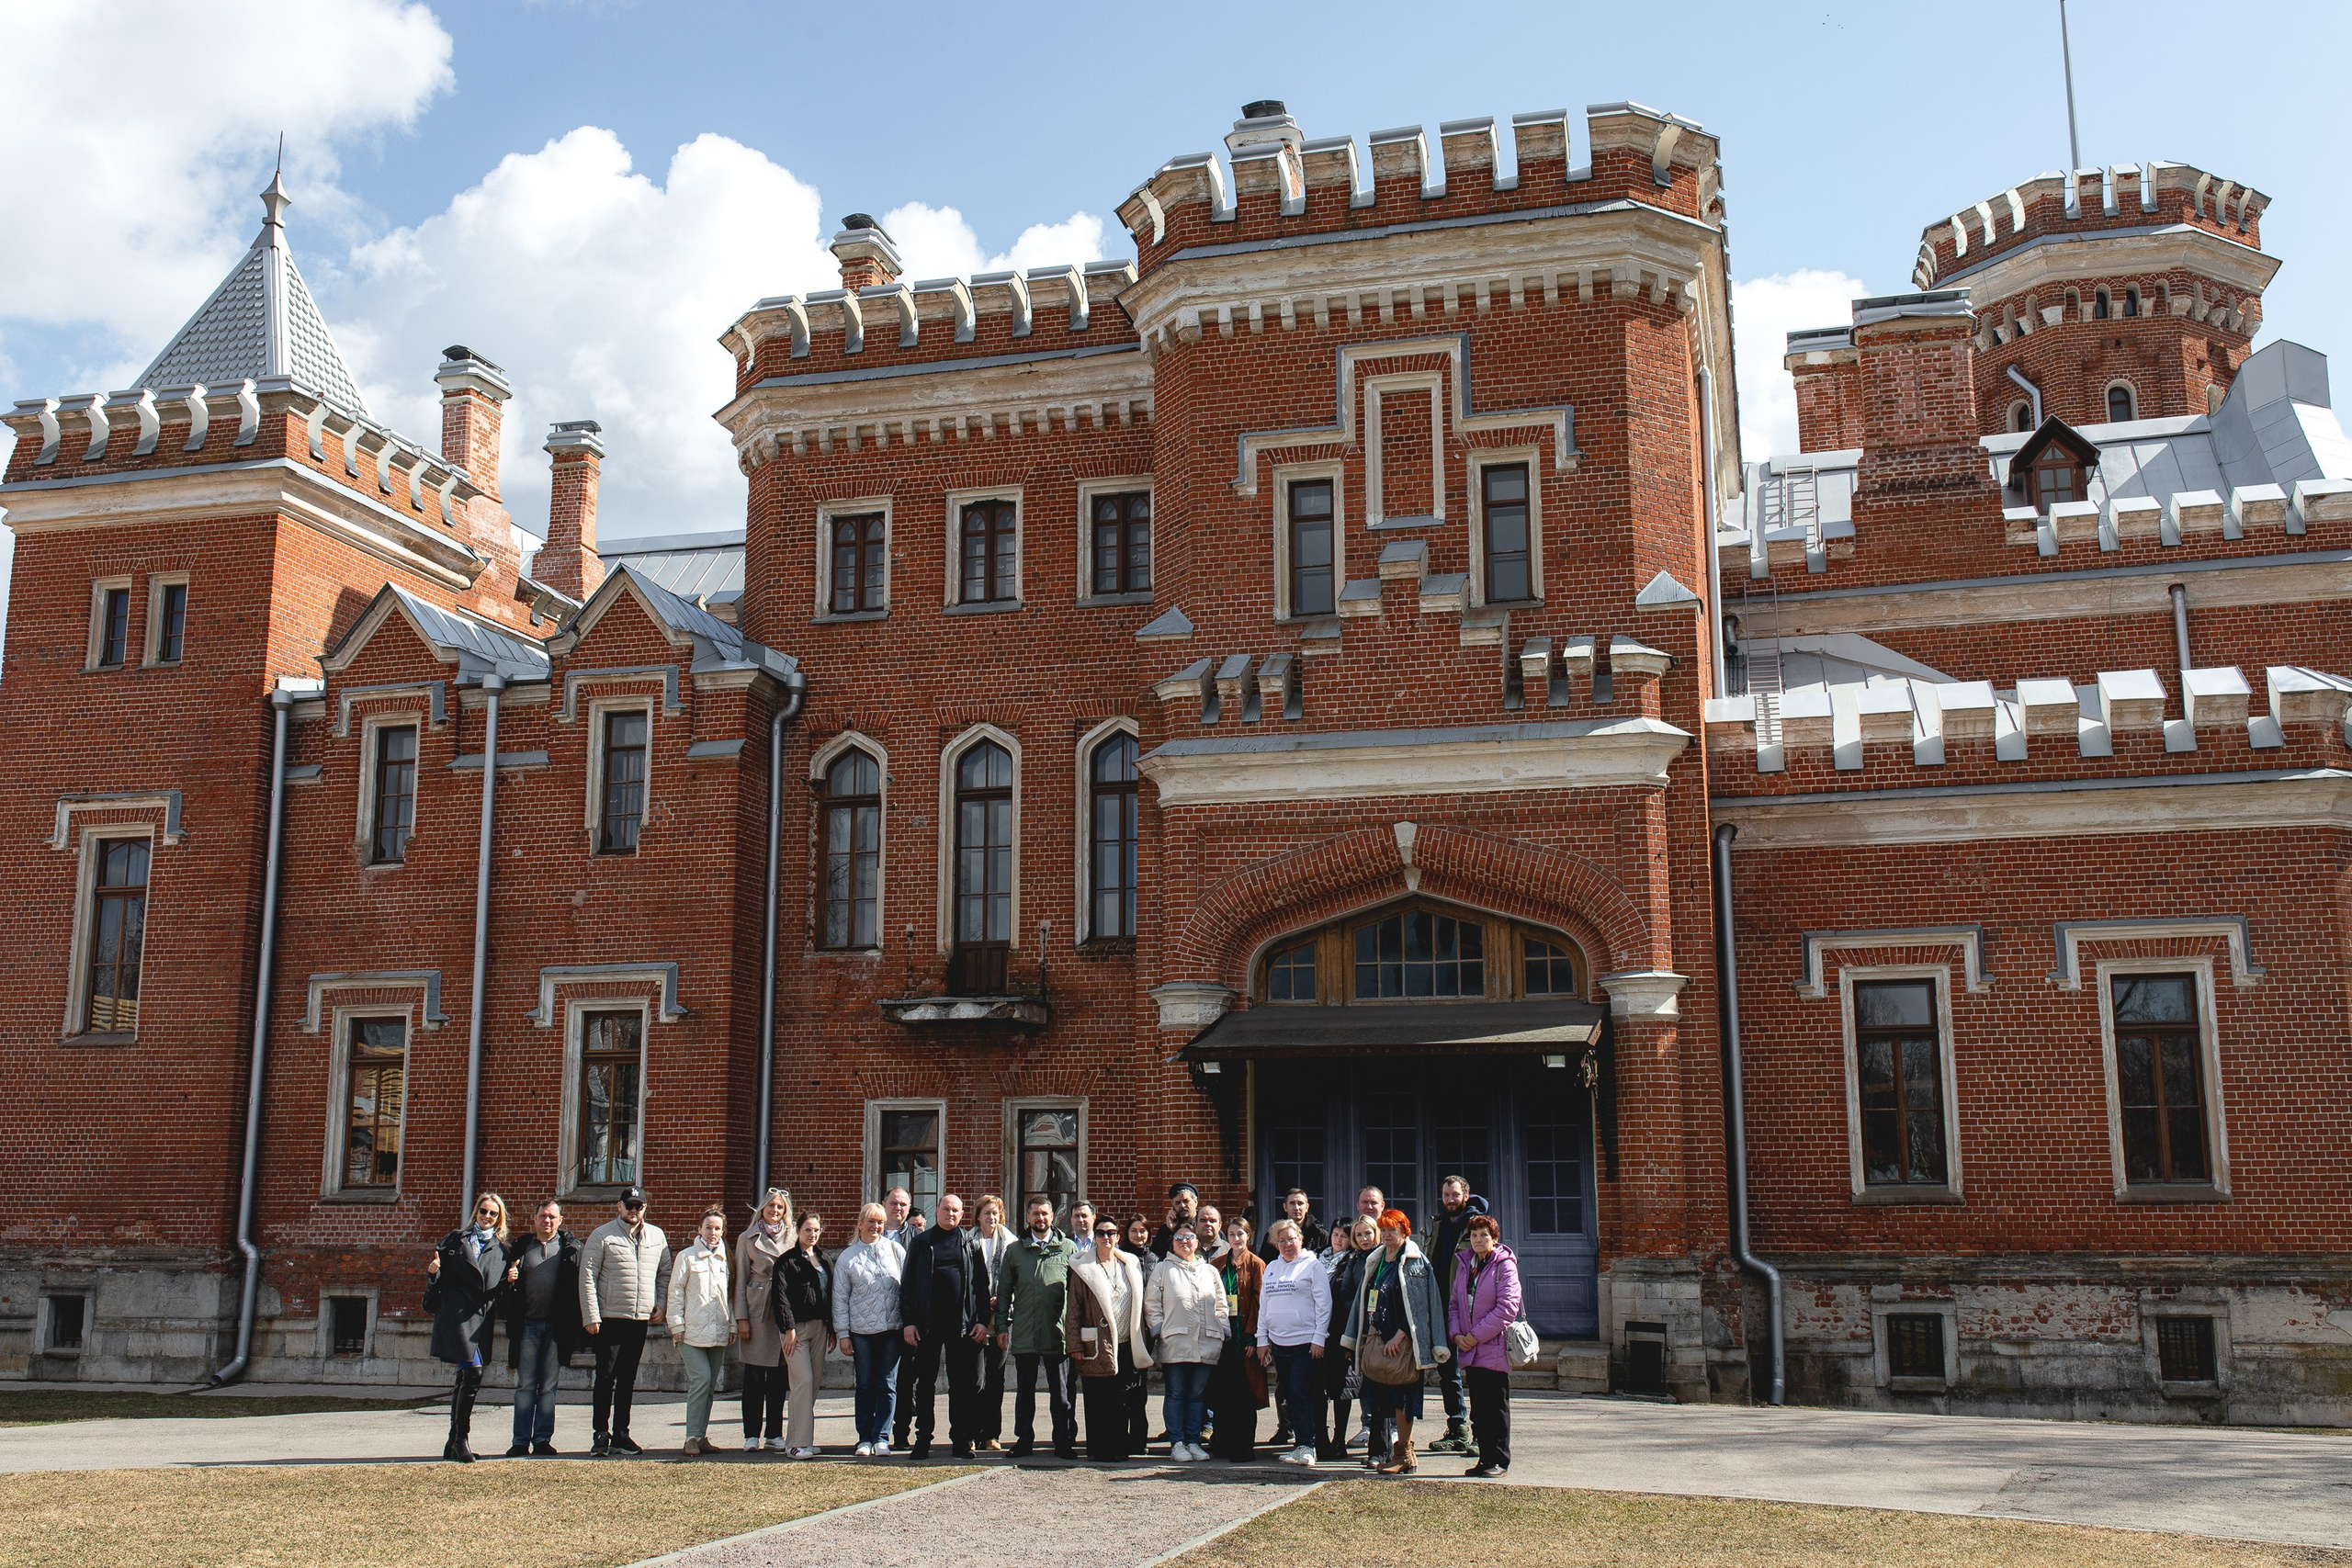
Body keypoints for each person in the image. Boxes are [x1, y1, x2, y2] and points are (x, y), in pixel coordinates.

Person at [1342, 1207, 1450, 1477]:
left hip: (1403, 1344)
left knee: (1404, 1400)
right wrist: (1356, 1339)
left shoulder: (1415, 1261)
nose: (1388, 1234)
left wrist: (1401, 1334)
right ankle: (1387, 1453)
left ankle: (1404, 1453)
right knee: (1380, 1399)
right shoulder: (1377, 1260)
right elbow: (1362, 1301)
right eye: (1385, 1229)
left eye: (1394, 1229)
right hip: (1377, 1341)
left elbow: (1421, 1305)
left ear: (1404, 1231)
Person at [424, 1192, 515, 1462]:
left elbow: (494, 1293)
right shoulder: (456, 1240)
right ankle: (461, 1439)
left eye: (493, 1213)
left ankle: (453, 1442)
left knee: (464, 1378)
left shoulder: (501, 1250)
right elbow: (440, 1274)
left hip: (479, 1318)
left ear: (499, 1219)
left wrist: (508, 1281)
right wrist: (433, 1272)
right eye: (483, 1211)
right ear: (476, 1212)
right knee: (473, 1374)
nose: (487, 1217)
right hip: (456, 1316)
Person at [581, 1186, 670, 1458]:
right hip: (609, 1318)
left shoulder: (656, 1236)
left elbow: (664, 1273)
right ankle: (600, 1433)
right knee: (606, 1377)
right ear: (619, 1206)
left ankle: (621, 1433)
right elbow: (587, 1276)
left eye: (638, 1206)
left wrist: (661, 1304)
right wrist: (591, 1315)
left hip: (639, 1319)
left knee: (628, 1379)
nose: (634, 1210)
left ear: (645, 1208)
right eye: (629, 1205)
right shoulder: (602, 1235)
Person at [899, 1193, 989, 1460]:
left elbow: (981, 1286)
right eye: (946, 1209)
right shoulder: (922, 1243)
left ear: (962, 1215)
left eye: (956, 1211)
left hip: (961, 1326)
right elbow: (907, 1286)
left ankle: (961, 1440)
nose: (951, 1214)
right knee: (924, 1385)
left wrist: (982, 1320)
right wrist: (909, 1322)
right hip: (926, 1326)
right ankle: (923, 1440)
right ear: (937, 1210)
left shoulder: (970, 1243)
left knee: (960, 1385)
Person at [995, 1194, 1078, 1459]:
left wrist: (1074, 1330)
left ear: (1053, 1217)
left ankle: (1063, 1440)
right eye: (1035, 1214)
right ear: (1028, 1217)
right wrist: (1001, 1327)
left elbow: (1076, 1294)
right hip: (1025, 1331)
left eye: (1045, 1214)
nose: (1040, 1218)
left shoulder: (1068, 1249)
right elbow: (1004, 1291)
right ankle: (1024, 1439)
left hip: (1057, 1331)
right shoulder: (1015, 1251)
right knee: (1025, 1392)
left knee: (1061, 1393)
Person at [500, 1198, 582, 1458]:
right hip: (527, 1326)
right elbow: (504, 1286)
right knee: (525, 1385)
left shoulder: (570, 1248)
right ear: (535, 1219)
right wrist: (509, 1279)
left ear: (560, 1221)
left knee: (548, 1386)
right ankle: (520, 1441)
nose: (547, 1221)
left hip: (556, 1328)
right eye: (543, 1216)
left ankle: (543, 1440)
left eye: (552, 1217)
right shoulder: (520, 1247)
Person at [1066, 1213, 1150, 1461]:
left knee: (1123, 1397)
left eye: (1110, 1233)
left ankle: (1120, 1447)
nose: (1106, 1237)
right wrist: (1075, 1345)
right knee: (1098, 1396)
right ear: (1095, 1236)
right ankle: (1100, 1449)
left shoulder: (1130, 1265)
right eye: (1101, 1233)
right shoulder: (1084, 1268)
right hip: (1096, 1341)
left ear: (1118, 1237)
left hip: (1126, 1341)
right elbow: (1074, 1309)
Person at [1142, 1221, 1224, 1461]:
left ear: (1197, 1242)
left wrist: (1222, 1329)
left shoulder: (1209, 1270)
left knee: (1197, 1395)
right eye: (1179, 1238)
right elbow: (1152, 1303)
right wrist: (1159, 1329)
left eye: (1189, 1237)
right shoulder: (1163, 1269)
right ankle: (1177, 1442)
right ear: (1172, 1243)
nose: (1185, 1241)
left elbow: (1221, 1304)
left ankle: (1193, 1441)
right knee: (1176, 1393)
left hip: (1205, 1342)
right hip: (1175, 1341)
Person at [1421, 1174, 1490, 1457]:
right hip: (1442, 1309)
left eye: (1455, 1194)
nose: (1450, 1199)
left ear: (1466, 1195)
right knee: (1448, 1371)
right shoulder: (1438, 1224)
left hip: (1470, 1312)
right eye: (1446, 1194)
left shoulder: (1476, 1226)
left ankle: (1480, 1433)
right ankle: (1458, 1429)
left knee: (1475, 1373)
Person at [1448, 1213, 1521, 1479]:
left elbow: (1506, 1309)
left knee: (1496, 1407)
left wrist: (1475, 1336)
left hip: (1494, 1348)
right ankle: (1484, 1458)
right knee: (1478, 1408)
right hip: (1469, 1349)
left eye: (1484, 1235)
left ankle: (1499, 1460)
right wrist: (1456, 1334)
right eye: (1474, 1235)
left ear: (1495, 1238)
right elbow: (1454, 1303)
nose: (1478, 1240)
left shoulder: (1504, 1266)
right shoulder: (1465, 1264)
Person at [833, 1201, 907, 1457]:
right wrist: (843, 1333)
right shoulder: (847, 1257)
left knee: (888, 1384)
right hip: (861, 1332)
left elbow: (906, 1287)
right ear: (860, 1224)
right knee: (865, 1384)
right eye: (871, 1221)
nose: (875, 1226)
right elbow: (840, 1298)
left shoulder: (895, 1250)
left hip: (891, 1330)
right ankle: (864, 1438)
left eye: (880, 1222)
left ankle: (882, 1437)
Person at [1258, 1218, 1331, 1465]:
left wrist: (1319, 1337)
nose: (1287, 1245)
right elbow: (1264, 1306)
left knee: (1302, 1393)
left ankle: (1307, 1446)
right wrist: (1262, 1339)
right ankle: (1299, 1444)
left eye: (1291, 1239)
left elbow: (1324, 1305)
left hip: (1306, 1343)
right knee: (1289, 1394)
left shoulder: (1313, 1267)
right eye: (1282, 1241)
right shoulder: (1271, 1268)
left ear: (1300, 1239)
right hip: (1279, 1344)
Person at [668, 1205, 736, 1456]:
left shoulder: (725, 1258)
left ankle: (701, 1435)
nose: (713, 1232)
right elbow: (675, 1293)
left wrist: (733, 1325)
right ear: (699, 1230)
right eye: (708, 1227)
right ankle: (690, 1438)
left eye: (717, 1228)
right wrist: (676, 1325)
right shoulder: (686, 1257)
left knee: (709, 1386)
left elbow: (729, 1295)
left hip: (718, 1332)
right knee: (701, 1379)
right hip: (691, 1333)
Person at [732, 1187, 792, 1451]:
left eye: (780, 1208)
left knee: (779, 1378)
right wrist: (741, 1317)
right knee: (754, 1378)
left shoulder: (792, 1236)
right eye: (771, 1207)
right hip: (758, 1310)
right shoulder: (747, 1237)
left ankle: (774, 1434)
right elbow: (740, 1279)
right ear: (763, 1208)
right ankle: (750, 1435)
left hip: (782, 1311)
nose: (775, 1211)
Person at [1204, 1215, 1266, 1461]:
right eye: (1231, 1235)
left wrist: (1252, 1336)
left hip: (1244, 1338)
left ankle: (1243, 1446)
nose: (1236, 1239)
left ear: (1248, 1237)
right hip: (1222, 1337)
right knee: (1222, 1393)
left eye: (1240, 1234)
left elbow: (1260, 1302)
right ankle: (1223, 1442)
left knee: (1245, 1395)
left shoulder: (1256, 1264)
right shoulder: (1218, 1263)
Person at [771, 1209, 832, 1457]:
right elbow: (780, 1298)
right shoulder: (786, 1262)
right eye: (808, 1230)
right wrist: (788, 1329)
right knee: (802, 1382)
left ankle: (805, 1439)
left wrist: (833, 1329)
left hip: (821, 1328)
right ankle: (795, 1443)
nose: (812, 1234)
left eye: (816, 1230)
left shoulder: (824, 1259)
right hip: (796, 1331)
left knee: (813, 1384)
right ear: (798, 1231)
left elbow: (831, 1295)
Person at [1315, 1216, 1368, 1461]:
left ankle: (1339, 1438)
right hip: (1317, 1333)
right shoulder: (1317, 1259)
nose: (1338, 1239)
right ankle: (1320, 1438)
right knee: (1317, 1389)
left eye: (1344, 1236)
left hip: (1339, 1333)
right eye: (1335, 1234)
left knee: (1341, 1389)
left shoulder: (1352, 1262)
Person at [969, 1194, 1015, 1452]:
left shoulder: (1011, 1243)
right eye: (987, 1213)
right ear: (978, 1216)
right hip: (975, 1319)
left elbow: (1019, 1279)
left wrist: (1005, 1299)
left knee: (996, 1380)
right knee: (976, 1379)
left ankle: (991, 1434)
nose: (991, 1217)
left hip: (1001, 1320)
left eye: (996, 1213)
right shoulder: (968, 1242)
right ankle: (972, 1433)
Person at [1256, 1190, 1327, 1261]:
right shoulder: (1273, 1235)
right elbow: (1265, 1264)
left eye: (1300, 1203)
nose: (1296, 1208)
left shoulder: (1320, 1235)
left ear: (1307, 1207)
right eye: (1292, 1203)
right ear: (1285, 1207)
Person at [1148, 1182, 1202, 1258]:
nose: (1182, 1206)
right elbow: (1158, 1256)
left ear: (1195, 1202)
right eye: (1177, 1203)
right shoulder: (1165, 1230)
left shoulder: (1204, 1226)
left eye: (1186, 1201)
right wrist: (1171, 1231)